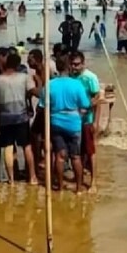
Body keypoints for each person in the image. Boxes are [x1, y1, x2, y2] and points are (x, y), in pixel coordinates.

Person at [42, 55, 90, 193]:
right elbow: (85, 105)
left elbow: (42, 105)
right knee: (75, 156)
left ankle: (61, 185)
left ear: (57, 67)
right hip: (73, 123)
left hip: (56, 121)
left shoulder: (50, 84)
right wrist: (80, 115)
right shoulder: (77, 84)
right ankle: (79, 187)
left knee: (60, 155)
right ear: (69, 67)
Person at [0, 51, 37, 185]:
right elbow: (34, 92)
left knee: (7, 147)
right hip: (21, 116)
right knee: (26, 146)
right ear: (18, 65)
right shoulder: (24, 77)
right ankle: (32, 176)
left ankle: (11, 179)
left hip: (4, 118)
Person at [69, 51, 102, 186]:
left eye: (77, 64)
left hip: (87, 120)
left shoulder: (90, 77)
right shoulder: (72, 77)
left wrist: (96, 121)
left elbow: (97, 98)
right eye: (72, 64)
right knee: (79, 151)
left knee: (90, 151)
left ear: (83, 64)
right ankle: (80, 177)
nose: (74, 67)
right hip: (75, 120)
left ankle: (93, 182)